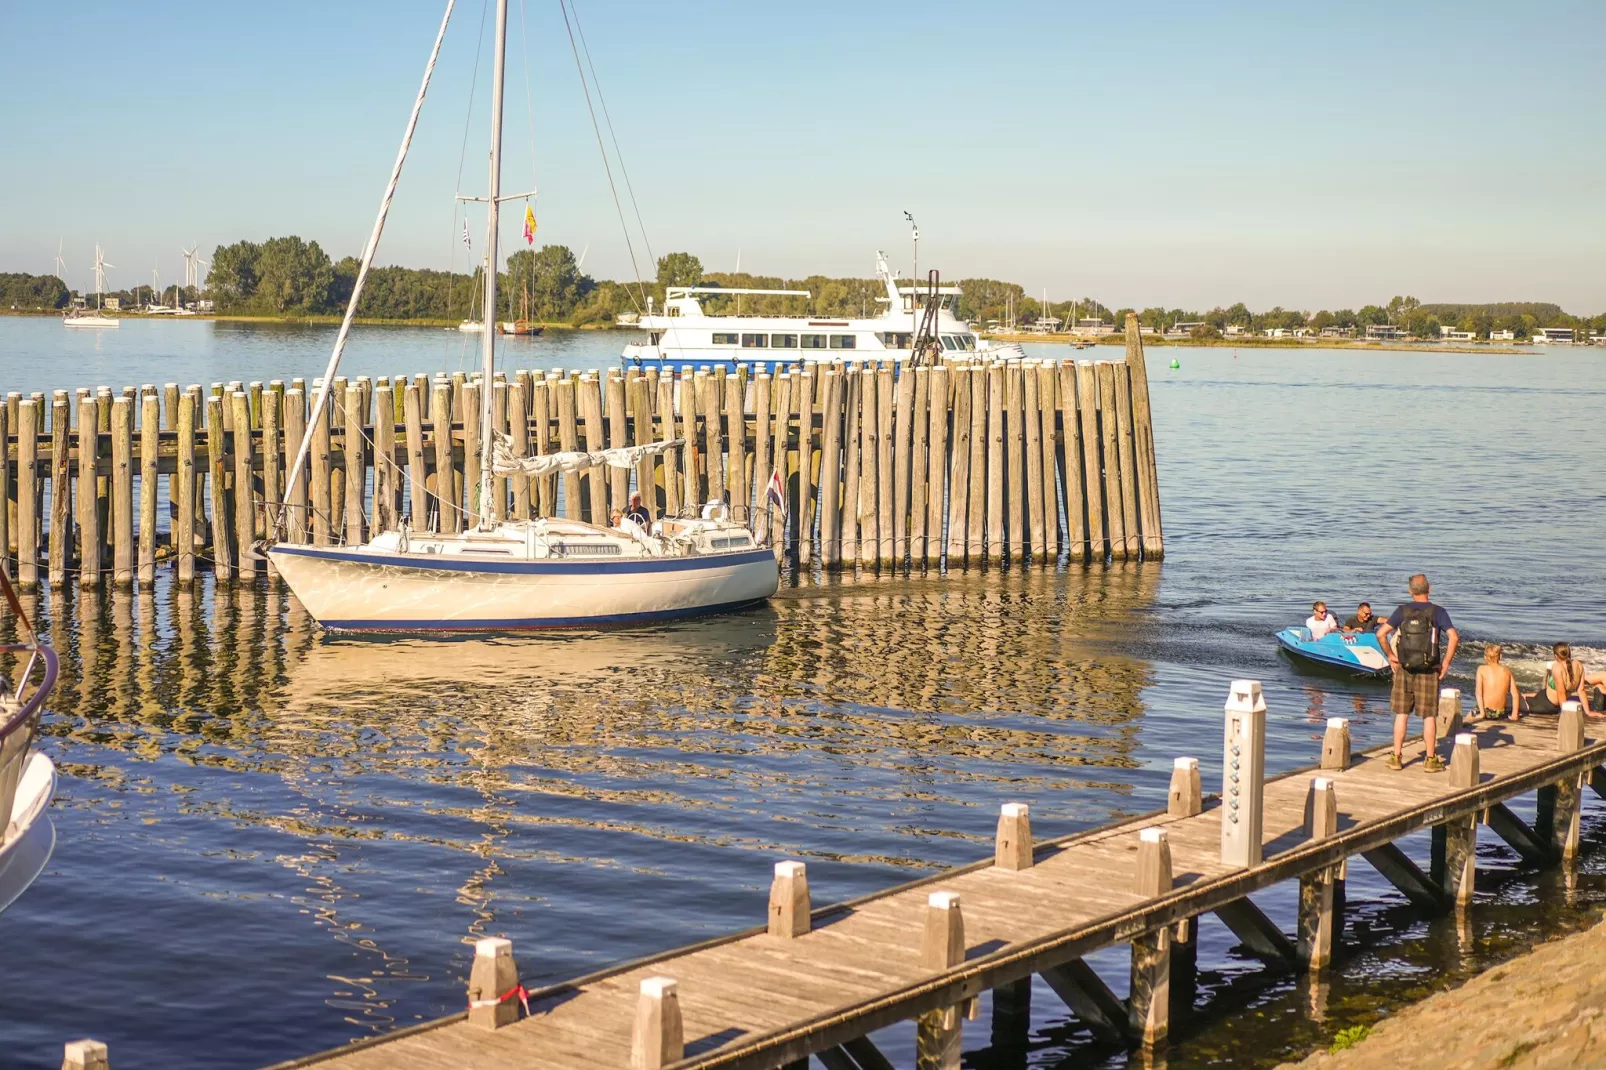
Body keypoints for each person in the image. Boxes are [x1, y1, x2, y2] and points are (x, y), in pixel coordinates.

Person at [1375, 573, 1459, 772]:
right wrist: (1445, 663)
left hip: (1404, 669)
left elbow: (1380, 634)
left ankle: (1396, 757)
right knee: (1429, 716)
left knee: (1402, 714)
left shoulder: (1402, 611)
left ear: (1410, 591)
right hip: (1429, 669)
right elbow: (1454, 637)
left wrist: (1390, 655)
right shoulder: (1437, 612)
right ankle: (1430, 760)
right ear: (1429, 589)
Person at [1526, 642, 1587, 714]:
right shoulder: (1579, 665)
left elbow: (1561, 693)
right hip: (1545, 697)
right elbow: (1581, 690)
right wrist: (1588, 712)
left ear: (1556, 656)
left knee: (1518, 700)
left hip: (1545, 704)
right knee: (1524, 695)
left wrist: (1565, 713)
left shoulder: (1557, 667)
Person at [1474, 644, 1520, 721]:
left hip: (1486, 712)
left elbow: (1478, 693)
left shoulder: (1481, 669)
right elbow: (1515, 695)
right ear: (1500, 656)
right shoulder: (1507, 671)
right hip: (1500, 713)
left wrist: (1482, 713)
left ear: (1485, 657)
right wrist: (1514, 715)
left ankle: (1481, 712)